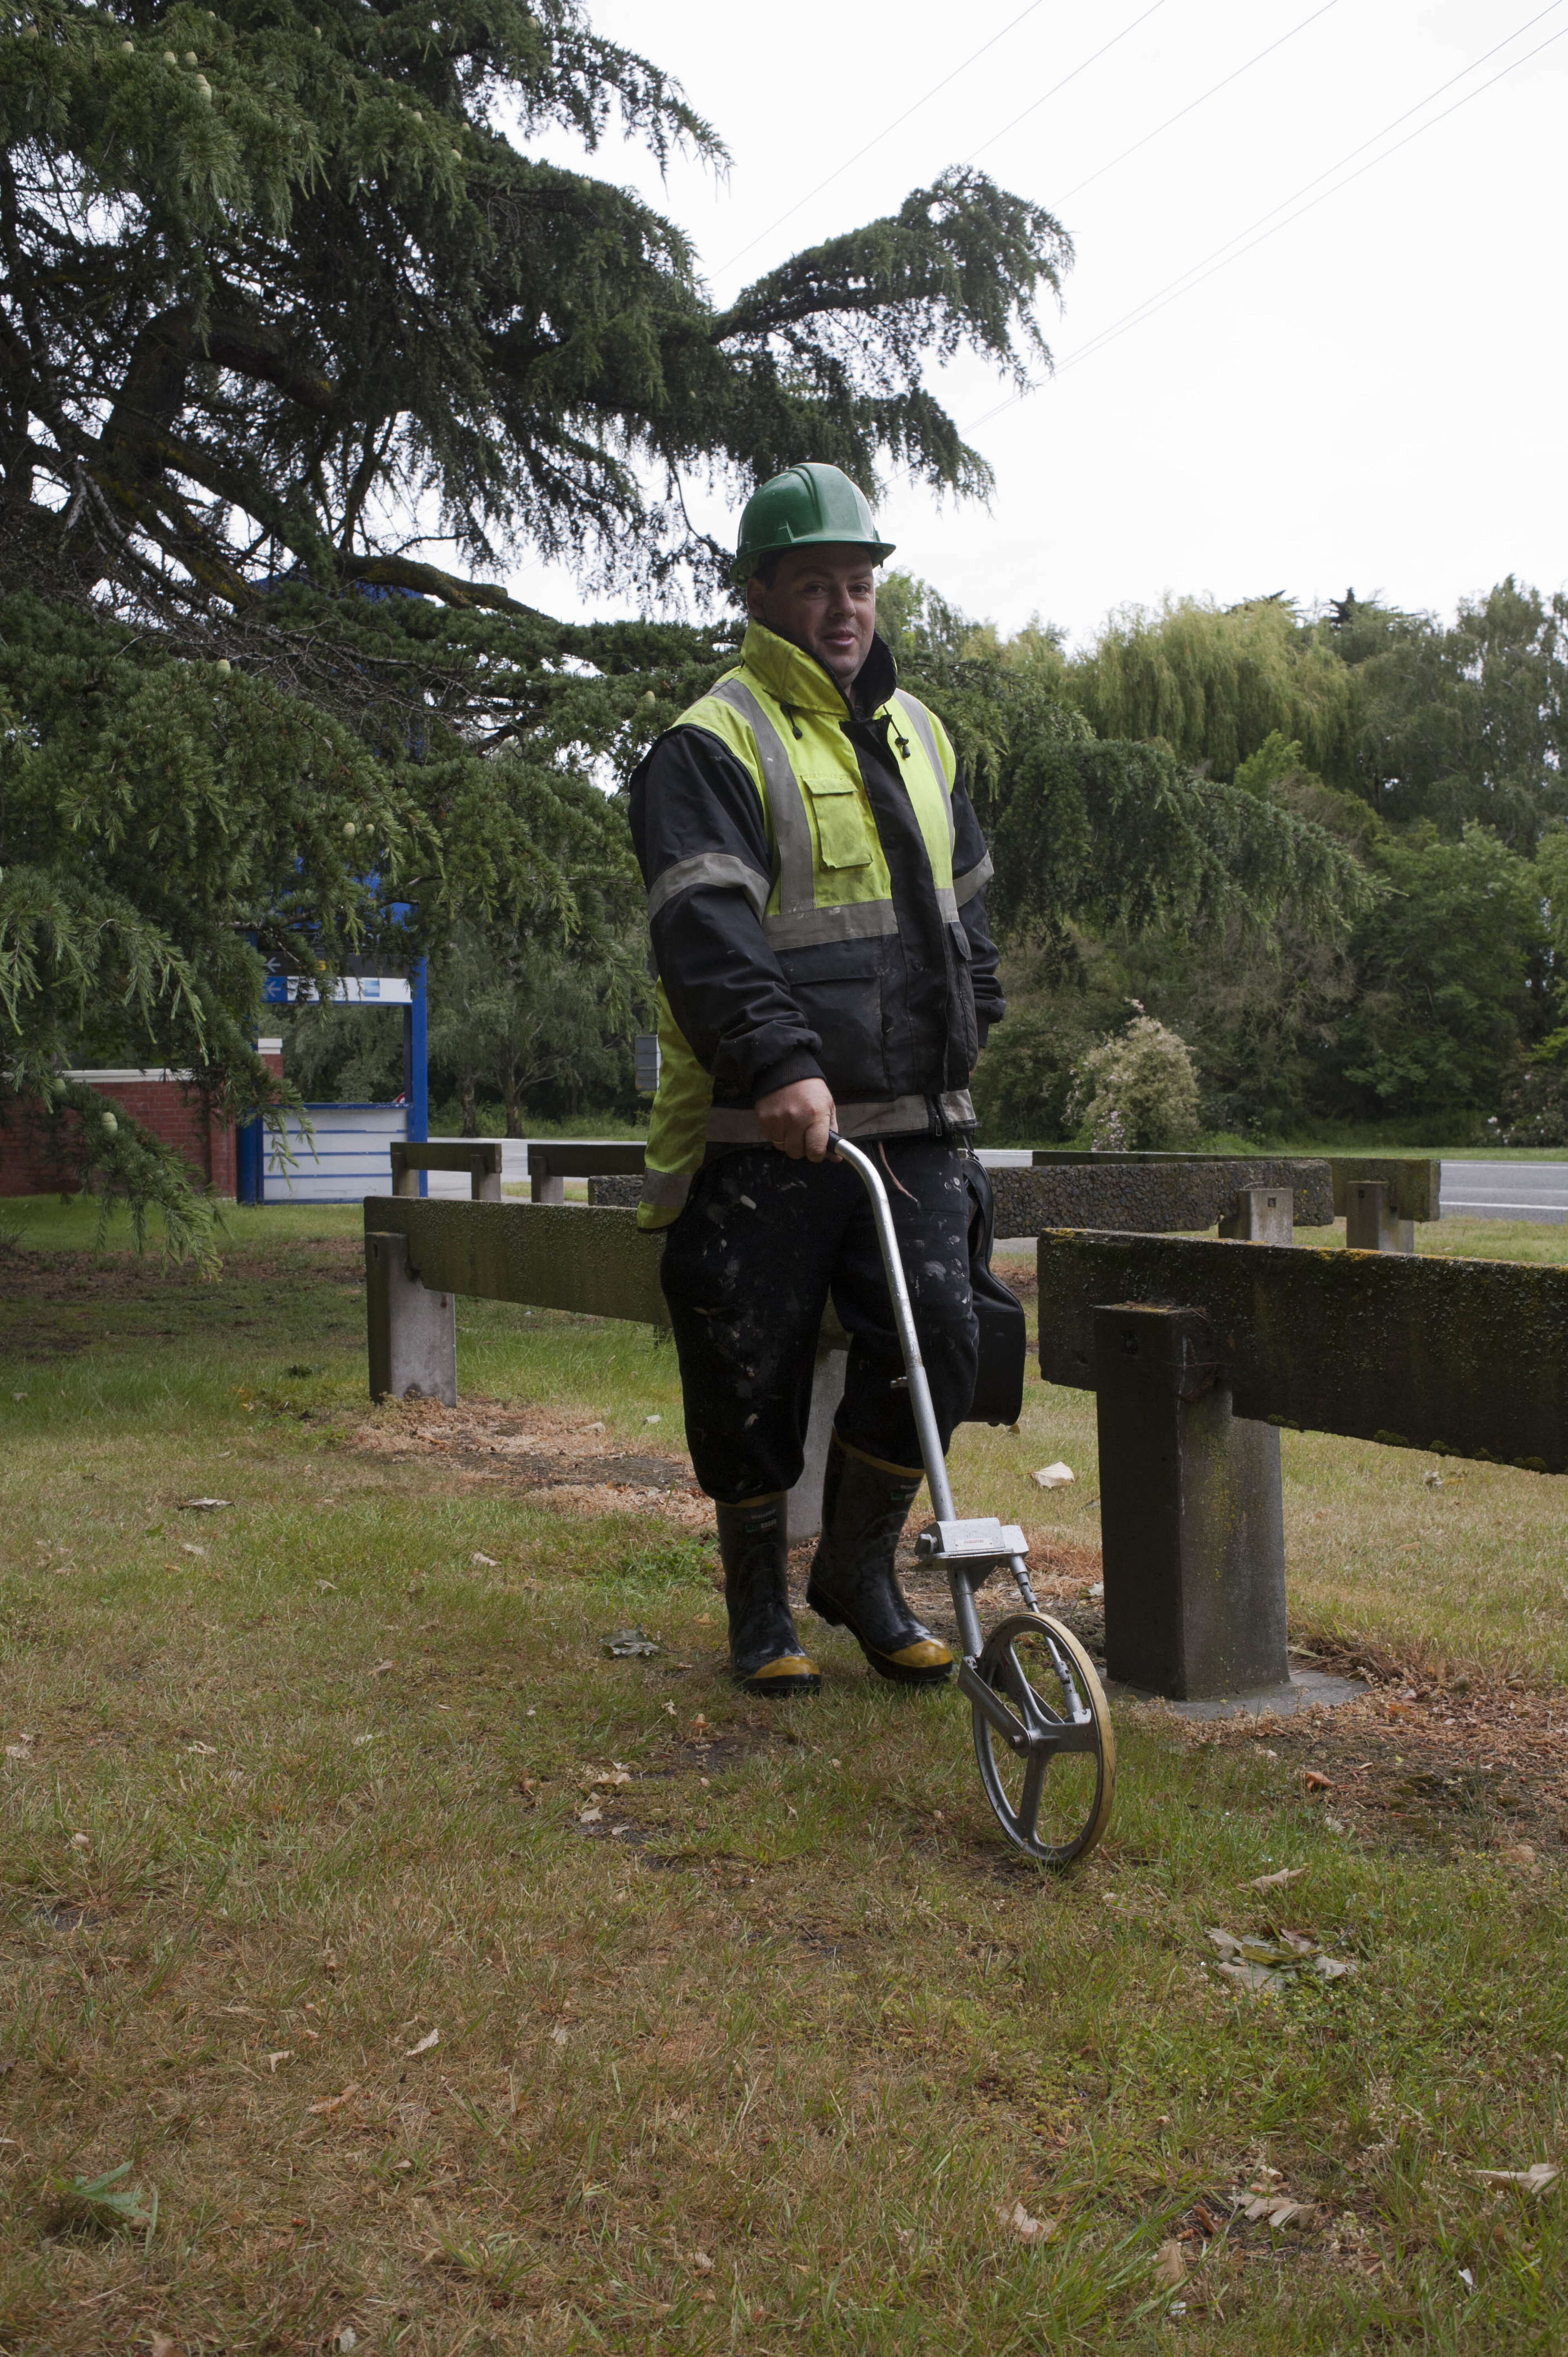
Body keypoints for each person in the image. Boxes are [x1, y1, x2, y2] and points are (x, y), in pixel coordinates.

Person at [628, 462, 1004, 1698]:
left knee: (945, 1338)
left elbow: (967, 909)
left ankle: (857, 1572)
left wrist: (974, 1021)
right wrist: (783, 1066)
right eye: (816, 587)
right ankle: (757, 1610)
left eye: (861, 584)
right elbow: (706, 932)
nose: (846, 609)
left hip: (914, 1124)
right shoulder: (710, 742)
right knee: (751, 1363)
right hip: (764, 1129)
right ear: (762, 593)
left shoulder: (923, 735)